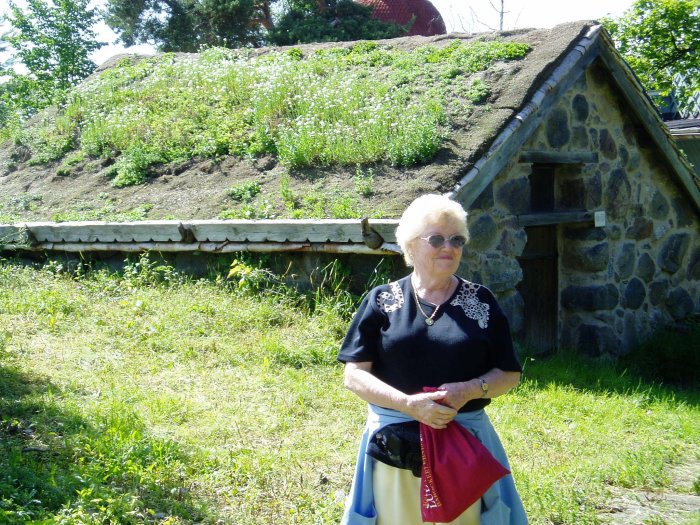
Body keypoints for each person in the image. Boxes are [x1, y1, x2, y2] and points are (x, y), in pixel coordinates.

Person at [338, 194, 527, 525]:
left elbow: (509, 374)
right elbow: (354, 374)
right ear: (411, 246)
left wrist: (468, 390)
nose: (448, 247)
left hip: (463, 451)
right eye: (437, 238)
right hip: (394, 447)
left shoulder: (481, 302)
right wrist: (408, 404)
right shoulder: (381, 300)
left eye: (457, 240)